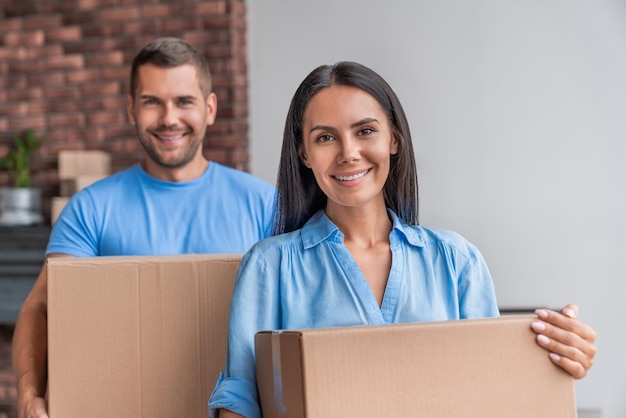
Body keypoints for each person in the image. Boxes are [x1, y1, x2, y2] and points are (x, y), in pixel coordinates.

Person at [208, 61, 597, 418]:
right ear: (304, 154)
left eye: (365, 131)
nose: (349, 153)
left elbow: (490, 387)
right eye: (325, 137)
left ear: (393, 139)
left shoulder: (456, 260)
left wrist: (556, 362)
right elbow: (242, 397)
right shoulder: (269, 266)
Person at [12, 37, 276, 418]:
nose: (169, 118)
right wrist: (28, 392)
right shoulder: (91, 208)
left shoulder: (264, 205)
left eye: (184, 101)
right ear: (132, 109)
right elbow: (41, 307)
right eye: (153, 102)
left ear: (210, 108)